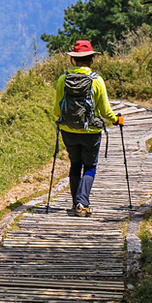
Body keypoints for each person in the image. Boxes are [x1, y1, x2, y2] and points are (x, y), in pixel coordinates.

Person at [53, 40, 122, 217]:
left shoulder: (63, 80)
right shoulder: (96, 80)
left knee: (75, 164)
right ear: (91, 59)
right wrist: (116, 120)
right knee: (90, 166)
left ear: (73, 60)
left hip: (68, 131)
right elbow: (105, 110)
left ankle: (76, 203)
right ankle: (83, 203)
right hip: (91, 132)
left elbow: (56, 109)